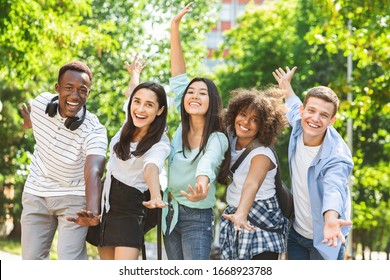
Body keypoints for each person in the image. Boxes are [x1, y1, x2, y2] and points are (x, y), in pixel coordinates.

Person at [70, 55, 170, 260]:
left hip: (130, 210)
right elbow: (130, 92)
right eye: (137, 102)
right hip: (107, 204)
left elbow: (152, 167)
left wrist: (155, 195)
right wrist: (135, 74)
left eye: (149, 105)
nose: (140, 109)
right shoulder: (129, 121)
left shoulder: (160, 142)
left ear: (160, 110)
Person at [19, 61, 108, 260]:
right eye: (68, 88)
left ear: (88, 94)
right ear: (57, 88)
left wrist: (93, 211)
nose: (75, 96)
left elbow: (94, 170)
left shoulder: (95, 130)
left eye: (82, 90)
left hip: (73, 196)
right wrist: (29, 123)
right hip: (37, 191)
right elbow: (32, 117)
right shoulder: (41, 104)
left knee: (70, 261)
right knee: (30, 261)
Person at [163, 2, 229, 260]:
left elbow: (209, 162)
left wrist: (202, 184)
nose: (194, 95)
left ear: (212, 101)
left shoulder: (218, 137)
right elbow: (179, 74)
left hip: (196, 217)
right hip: (171, 211)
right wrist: (174, 27)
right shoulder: (182, 125)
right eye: (191, 92)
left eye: (202, 93)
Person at [272, 66, 353, 260]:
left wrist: (331, 220)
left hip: (326, 238)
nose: (315, 119)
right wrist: (285, 85)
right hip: (297, 233)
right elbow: (292, 103)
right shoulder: (300, 122)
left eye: (324, 115)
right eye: (311, 111)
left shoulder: (337, 156)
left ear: (332, 120)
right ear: (303, 111)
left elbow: (335, 187)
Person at [219, 87, 290, 260]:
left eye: (254, 120)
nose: (246, 122)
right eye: (243, 114)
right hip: (235, 216)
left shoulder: (262, 154)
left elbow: (252, 184)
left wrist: (242, 213)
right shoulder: (231, 138)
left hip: (261, 219)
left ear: (264, 125)